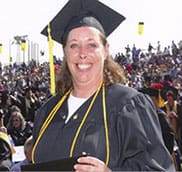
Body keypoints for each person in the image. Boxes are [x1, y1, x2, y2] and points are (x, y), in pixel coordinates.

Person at [32, 0, 175, 171]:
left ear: (105, 50)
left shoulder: (129, 105)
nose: (82, 53)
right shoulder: (47, 112)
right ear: (65, 52)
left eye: (91, 44)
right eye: (74, 45)